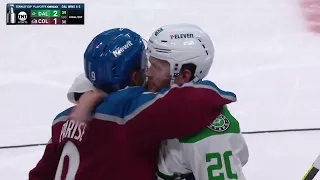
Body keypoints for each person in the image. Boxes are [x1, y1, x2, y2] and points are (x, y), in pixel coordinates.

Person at [29, 27, 236, 180]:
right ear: (135, 77)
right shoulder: (130, 111)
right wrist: (221, 94)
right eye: (147, 64)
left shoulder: (62, 121)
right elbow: (193, 102)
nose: (149, 72)